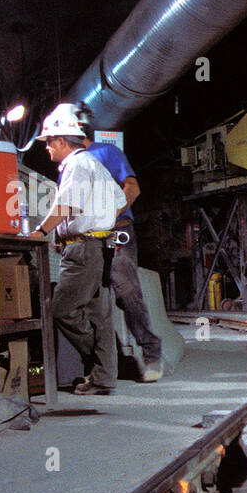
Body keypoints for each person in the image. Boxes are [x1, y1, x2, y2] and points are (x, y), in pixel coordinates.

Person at [25, 103, 125, 395]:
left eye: (48, 143)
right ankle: (104, 378)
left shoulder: (77, 164)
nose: (47, 149)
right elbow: (119, 202)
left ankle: (96, 363)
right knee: (100, 316)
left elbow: (68, 204)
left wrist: (41, 231)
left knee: (62, 309)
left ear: (59, 140)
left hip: (84, 252)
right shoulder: (94, 164)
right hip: (100, 247)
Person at [76, 106, 164, 382]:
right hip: (87, 238)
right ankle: (99, 366)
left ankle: (152, 355)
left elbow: (132, 188)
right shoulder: (68, 163)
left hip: (116, 233)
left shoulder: (106, 153)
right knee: (87, 301)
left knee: (127, 294)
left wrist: (109, 215)